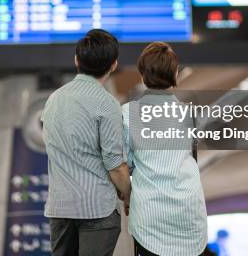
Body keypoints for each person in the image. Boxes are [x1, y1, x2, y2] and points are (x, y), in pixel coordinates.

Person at [42, 29, 131, 256]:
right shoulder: (106, 103)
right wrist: (128, 193)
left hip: (60, 209)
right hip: (97, 210)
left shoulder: (54, 100)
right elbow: (115, 165)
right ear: (113, 65)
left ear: (76, 60)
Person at [122, 42, 208, 256]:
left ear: (142, 75)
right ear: (175, 73)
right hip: (189, 216)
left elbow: (124, 164)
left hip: (149, 218)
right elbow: (193, 158)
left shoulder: (127, 113)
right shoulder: (189, 114)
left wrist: (127, 196)